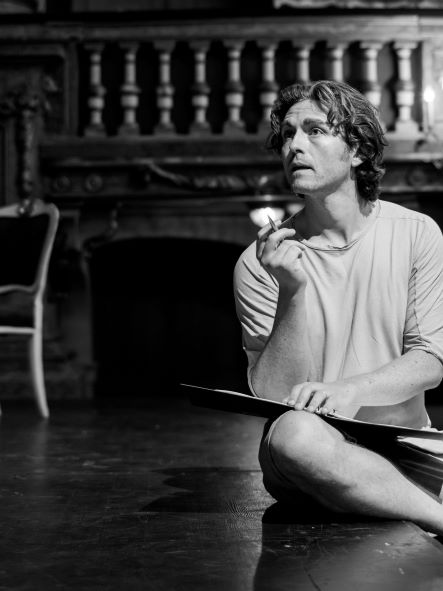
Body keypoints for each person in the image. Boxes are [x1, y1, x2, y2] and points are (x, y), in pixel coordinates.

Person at [233, 80, 443, 534]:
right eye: (288, 134)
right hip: (314, 453)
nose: (294, 146)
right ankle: (435, 517)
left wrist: (349, 391)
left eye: (314, 130)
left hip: (408, 449)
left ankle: (386, 498)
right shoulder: (260, 261)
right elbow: (273, 395)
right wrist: (292, 291)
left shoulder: (417, 233)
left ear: (358, 151)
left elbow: (430, 361)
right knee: (294, 435)